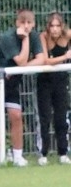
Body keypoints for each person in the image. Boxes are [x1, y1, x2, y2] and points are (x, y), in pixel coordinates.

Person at [0, 9, 45, 166]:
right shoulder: (8, 37)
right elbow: (20, 61)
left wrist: (19, 69)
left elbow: (41, 59)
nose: (26, 26)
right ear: (17, 23)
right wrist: (25, 40)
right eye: (22, 22)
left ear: (34, 24)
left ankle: (17, 157)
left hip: (11, 82)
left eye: (29, 22)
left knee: (16, 115)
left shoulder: (34, 36)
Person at [35, 11, 71, 164]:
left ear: (62, 26)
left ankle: (63, 152)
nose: (55, 29)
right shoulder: (43, 36)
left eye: (57, 26)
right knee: (44, 117)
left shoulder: (68, 35)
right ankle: (43, 154)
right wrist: (65, 57)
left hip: (61, 80)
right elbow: (45, 61)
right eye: (52, 26)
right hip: (45, 81)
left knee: (61, 117)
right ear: (48, 27)